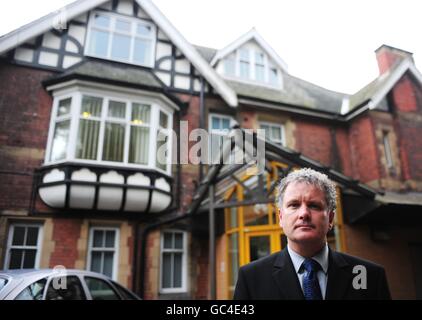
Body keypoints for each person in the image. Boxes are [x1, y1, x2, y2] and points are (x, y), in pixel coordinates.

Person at [233, 168, 391, 300]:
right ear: (280, 218)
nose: (304, 213)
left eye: (314, 205)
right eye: (294, 205)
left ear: (330, 218)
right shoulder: (251, 278)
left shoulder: (369, 276)